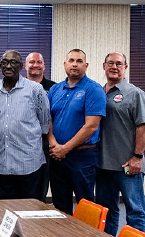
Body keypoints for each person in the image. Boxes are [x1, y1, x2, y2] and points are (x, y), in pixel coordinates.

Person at [48, 49, 106, 215]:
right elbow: (48, 120)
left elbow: (91, 126)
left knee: (85, 204)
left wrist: (64, 149)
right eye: (71, 60)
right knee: (59, 205)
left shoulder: (93, 90)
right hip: (57, 156)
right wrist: (54, 145)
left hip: (83, 157)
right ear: (65, 64)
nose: (75, 64)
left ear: (86, 65)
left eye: (79, 61)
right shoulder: (55, 90)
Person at [0, 50, 50, 200]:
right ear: (0, 66)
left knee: (29, 213)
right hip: (1, 164)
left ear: (21, 66)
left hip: (28, 164)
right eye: (5, 62)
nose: (8, 66)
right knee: (5, 213)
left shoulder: (35, 89)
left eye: (13, 62)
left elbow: (44, 122)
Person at [96, 52, 145, 236]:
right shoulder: (99, 93)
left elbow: (142, 126)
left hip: (127, 166)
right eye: (110, 63)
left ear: (125, 67)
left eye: (119, 63)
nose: (114, 67)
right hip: (103, 166)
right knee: (106, 211)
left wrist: (137, 157)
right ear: (104, 66)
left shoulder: (134, 93)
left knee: (135, 211)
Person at [25, 52, 57, 203]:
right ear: (25, 65)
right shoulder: (19, 87)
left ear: (44, 65)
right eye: (32, 62)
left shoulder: (55, 89)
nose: (35, 65)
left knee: (43, 190)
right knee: (27, 189)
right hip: (26, 145)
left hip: (49, 145)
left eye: (39, 62)